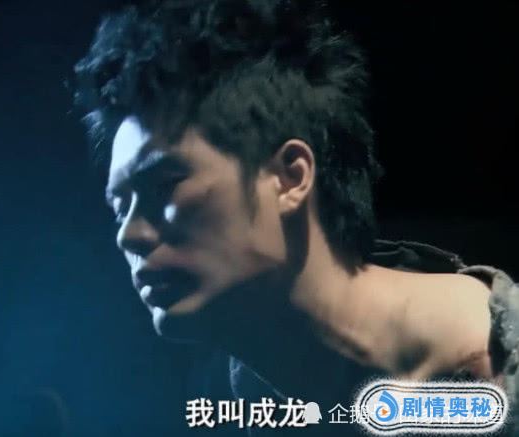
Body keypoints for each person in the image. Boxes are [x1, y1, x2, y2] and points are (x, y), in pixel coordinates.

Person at [73, 1, 519, 434]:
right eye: (120, 208)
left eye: (163, 186)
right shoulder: (230, 402)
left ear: (290, 177)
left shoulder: (498, 369)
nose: (128, 235)